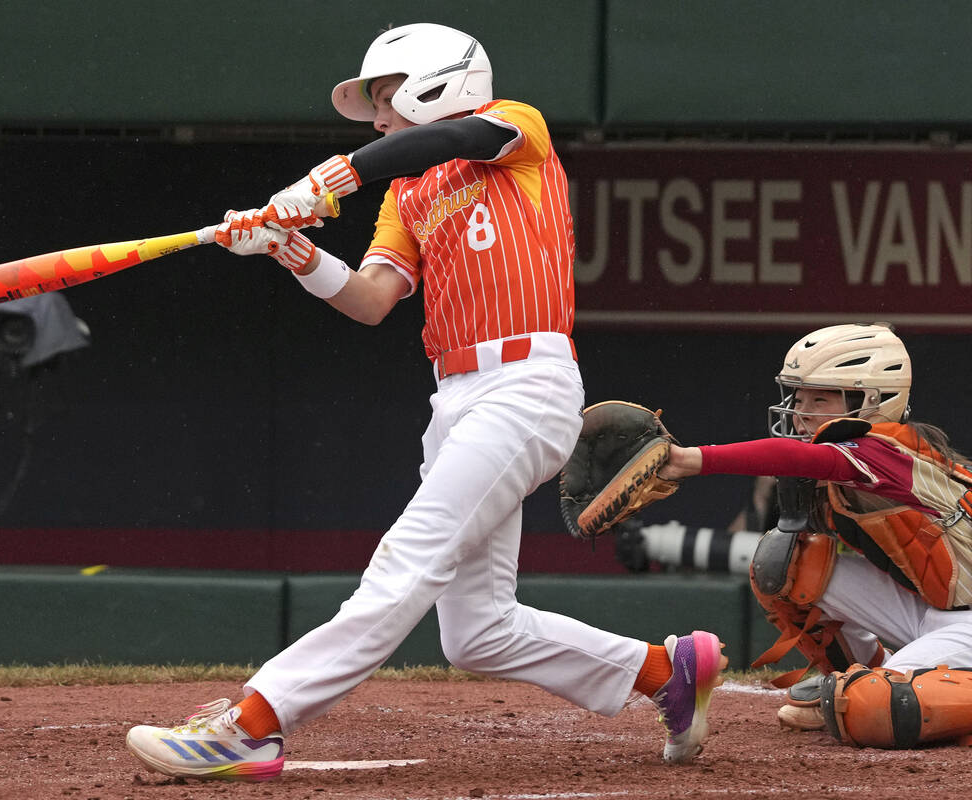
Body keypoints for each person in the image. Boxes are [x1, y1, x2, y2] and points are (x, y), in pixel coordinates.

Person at [124, 23, 726, 781]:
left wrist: (329, 179)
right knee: (477, 633)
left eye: (384, 98)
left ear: (435, 83)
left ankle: (252, 723)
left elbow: (435, 143)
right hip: (457, 398)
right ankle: (661, 674)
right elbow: (372, 299)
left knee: (405, 563)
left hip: (526, 386)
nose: (377, 119)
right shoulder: (407, 196)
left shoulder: (517, 127)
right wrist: (290, 249)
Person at [656, 322, 972, 747]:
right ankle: (857, 675)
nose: (801, 410)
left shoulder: (886, 450)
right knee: (787, 564)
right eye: (799, 396)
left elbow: (797, 457)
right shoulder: (855, 452)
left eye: (820, 397)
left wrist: (688, 460)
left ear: (871, 400)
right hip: (932, 607)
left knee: (874, 708)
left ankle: (872, 687)